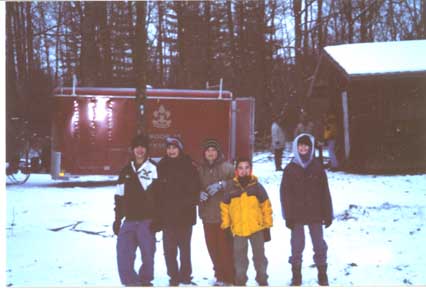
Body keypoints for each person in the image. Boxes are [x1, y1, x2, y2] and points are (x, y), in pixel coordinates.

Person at [280, 133, 334, 286]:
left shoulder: (317, 167)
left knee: (319, 244)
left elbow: (325, 191)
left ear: (310, 147)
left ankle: (322, 274)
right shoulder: (290, 169)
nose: (303, 148)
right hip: (296, 214)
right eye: (300, 145)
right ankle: (296, 275)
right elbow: (285, 194)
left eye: (306, 145)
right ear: (296, 147)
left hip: (315, 213)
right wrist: (288, 216)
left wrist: (328, 214)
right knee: (297, 245)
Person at [113, 134, 158, 286]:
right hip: (129, 221)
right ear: (132, 150)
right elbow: (119, 197)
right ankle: (131, 282)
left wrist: (158, 219)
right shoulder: (125, 171)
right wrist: (117, 219)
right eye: (136, 147)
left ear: (146, 149)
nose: (139, 150)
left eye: (142, 146)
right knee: (123, 253)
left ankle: (145, 281)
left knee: (148, 255)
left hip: (147, 221)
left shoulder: (153, 169)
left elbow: (160, 196)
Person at [220, 158, 273, 286]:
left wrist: (267, 226)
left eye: (247, 167)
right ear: (236, 170)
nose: (244, 170)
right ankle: (240, 280)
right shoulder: (230, 188)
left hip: (257, 229)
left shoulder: (257, 187)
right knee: (240, 258)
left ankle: (262, 278)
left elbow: (266, 206)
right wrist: (226, 226)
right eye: (240, 168)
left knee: (259, 257)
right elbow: (224, 208)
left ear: (251, 169)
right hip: (238, 230)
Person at [155, 136, 201, 286]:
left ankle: (186, 275)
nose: (171, 151)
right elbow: (157, 192)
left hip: (185, 214)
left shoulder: (189, 165)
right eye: (169, 148)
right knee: (169, 248)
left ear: (180, 149)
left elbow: (196, 189)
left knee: (184, 248)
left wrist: (188, 202)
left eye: (174, 147)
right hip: (167, 215)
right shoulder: (161, 166)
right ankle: (173, 276)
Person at [198, 138, 235, 286]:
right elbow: (193, 186)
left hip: (224, 216)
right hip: (207, 215)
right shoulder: (200, 169)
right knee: (212, 248)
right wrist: (198, 193)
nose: (210, 153)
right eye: (208, 150)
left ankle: (230, 276)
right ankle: (219, 275)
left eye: (213, 150)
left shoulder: (227, 167)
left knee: (225, 248)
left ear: (218, 152)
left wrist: (222, 184)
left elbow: (240, 182)